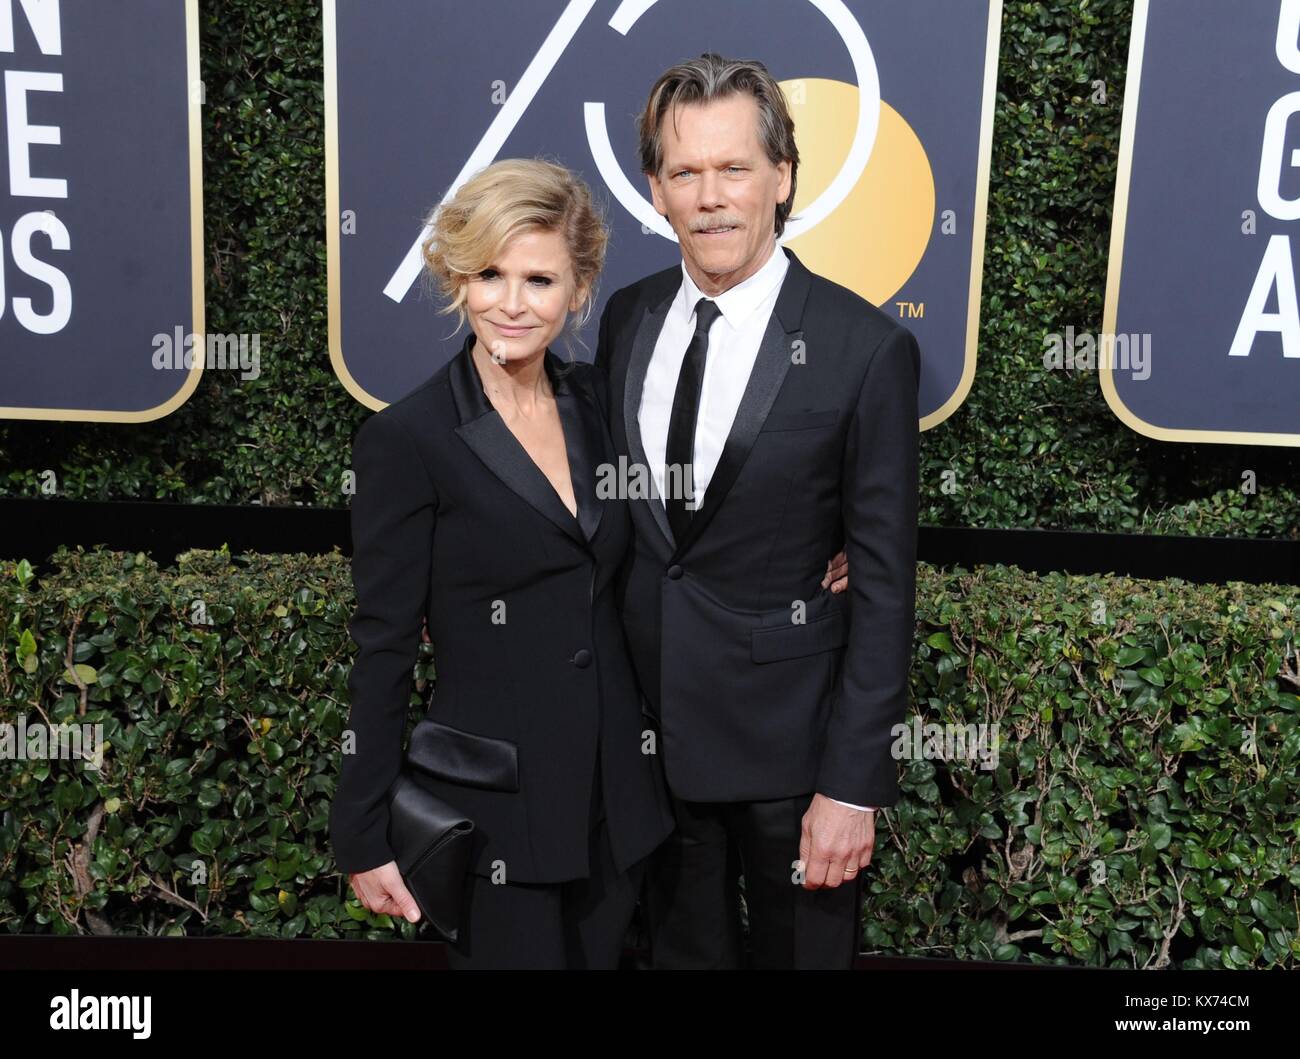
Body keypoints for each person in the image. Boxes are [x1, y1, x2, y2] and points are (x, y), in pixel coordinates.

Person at [593, 53, 922, 969]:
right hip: (653, 751)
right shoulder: (626, 318)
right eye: (685, 172)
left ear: (781, 177)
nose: (711, 197)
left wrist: (852, 787)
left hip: (794, 758)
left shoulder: (865, 349)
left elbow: (886, 585)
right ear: (655, 189)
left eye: (734, 168)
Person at [328, 158, 675, 969]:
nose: (511, 303)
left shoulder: (602, 405)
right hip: (495, 814)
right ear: (456, 274)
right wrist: (360, 830)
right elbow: (382, 643)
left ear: (579, 289)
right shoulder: (408, 439)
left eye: (539, 278)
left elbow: (681, 534)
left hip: (619, 806)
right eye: (488, 272)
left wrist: (819, 550)